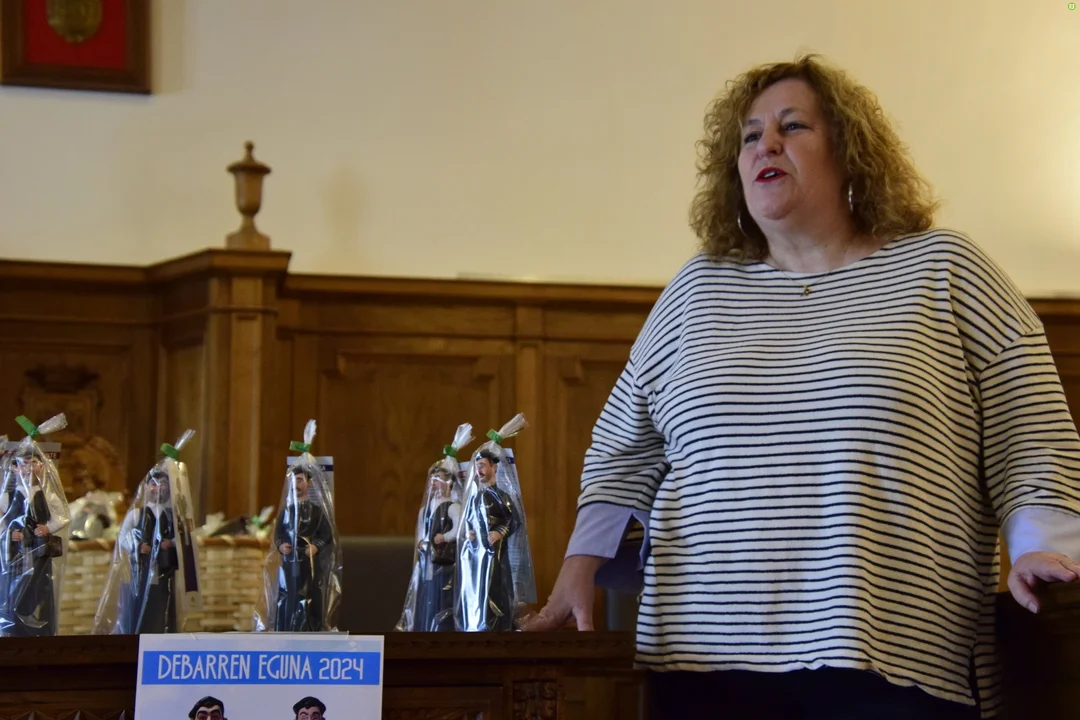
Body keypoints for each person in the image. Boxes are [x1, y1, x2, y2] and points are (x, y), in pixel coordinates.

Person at [525, 54, 1080, 719]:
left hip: (890, 658)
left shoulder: (945, 268)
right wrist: (580, 566)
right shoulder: (697, 290)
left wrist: (1043, 544)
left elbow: (1031, 431)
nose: (767, 144)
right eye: (750, 135)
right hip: (703, 662)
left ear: (849, 151)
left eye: (793, 126)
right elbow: (624, 447)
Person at [0, 448, 69, 637]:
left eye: (33, 463)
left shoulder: (47, 495)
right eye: (24, 464)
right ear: (15, 468)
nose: (29, 468)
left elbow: (62, 517)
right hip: (14, 556)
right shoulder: (7, 495)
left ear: (42, 467)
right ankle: (12, 628)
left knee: (39, 589)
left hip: (39, 553)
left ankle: (39, 629)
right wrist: (8, 533)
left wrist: (48, 528)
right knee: (14, 592)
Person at [458, 449, 518, 631]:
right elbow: (468, 521)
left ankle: (499, 624)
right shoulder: (475, 498)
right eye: (477, 467)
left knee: (497, 588)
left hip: (496, 556)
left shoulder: (502, 496)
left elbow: (514, 520)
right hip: (477, 556)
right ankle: (479, 621)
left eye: (483, 465)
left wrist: (500, 532)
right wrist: (469, 533)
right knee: (479, 588)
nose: (479, 470)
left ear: (494, 467)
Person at [274, 464, 334, 631]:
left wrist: (316, 546)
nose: (296, 484)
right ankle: (288, 627)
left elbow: (326, 534)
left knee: (312, 595)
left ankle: (312, 627)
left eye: (300, 480)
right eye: (294, 481)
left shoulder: (317, 512)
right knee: (289, 595)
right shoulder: (286, 512)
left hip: (310, 563)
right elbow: (278, 533)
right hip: (290, 562)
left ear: (309, 482)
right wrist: (281, 545)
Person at [124, 468, 179, 633]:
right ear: (146, 487)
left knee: (164, 602)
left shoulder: (171, 516)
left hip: (165, 570)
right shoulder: (137, 514)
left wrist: (171, 543)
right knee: (143, 603)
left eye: (163, 484)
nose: (158, 488)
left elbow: (184, 537)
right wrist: (138, 546)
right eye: (154, 484)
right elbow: (123, 537)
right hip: (142, 570)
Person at [412, 467, 461, 632]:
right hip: (427, 560)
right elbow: (421, 533)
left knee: (442, 595)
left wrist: (445, 537)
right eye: (432, 479)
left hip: (445, 562)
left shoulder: (453, 507)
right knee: (426, 593)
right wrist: (421, 544)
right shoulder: (425, 510)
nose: (433, 483)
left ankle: (443, 627)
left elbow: (459, 530)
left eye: (438, 478)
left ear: (448, 483)